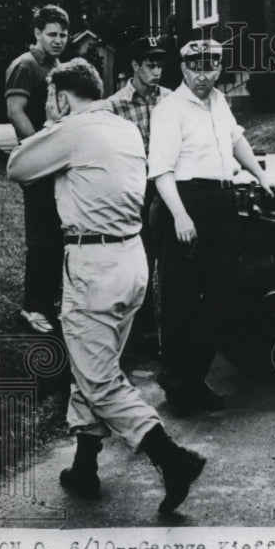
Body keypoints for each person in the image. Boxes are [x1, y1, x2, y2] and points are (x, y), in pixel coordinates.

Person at [6, 58, 206, 516]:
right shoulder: (125, 128)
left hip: (93, 264)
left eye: (53, 98)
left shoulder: (73, 129)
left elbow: (18, 167)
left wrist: (51, 125)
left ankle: (172, 459)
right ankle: (84, 468)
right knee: (93, 364)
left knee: (98, 379)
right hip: (132, 259)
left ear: (62, 97)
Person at [148, 38, 275, 416]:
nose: (202, 76)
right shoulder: (169, 109)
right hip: (186, 202)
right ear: (183, 68)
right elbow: (161, 170)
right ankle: (180, 387)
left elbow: (236, 139)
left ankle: (192, 378)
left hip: (221, 203)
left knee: (222, 296)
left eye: (210, 68)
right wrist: (180, 215)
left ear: (219, 68)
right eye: (195, 68)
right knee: (182, 300)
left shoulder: (219, 101)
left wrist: (260, 175)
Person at [5, 4, 69, 333]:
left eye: (63, 35)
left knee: (59, 237)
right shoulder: (25, 65)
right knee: (42, 239)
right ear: (37, 33)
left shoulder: (59, 67)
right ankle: (32, 308)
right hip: (37, 162)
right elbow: (15, 111)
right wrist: (38, 150)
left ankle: (48, 303)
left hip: (58, 163)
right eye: (52, 34)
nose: (58, 40)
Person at [108, 36, 174, 353]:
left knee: (172, 261)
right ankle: (143, 334)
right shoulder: (115, 106)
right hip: (136, 189)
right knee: (140, 261)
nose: (157, 71)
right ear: (135, 66)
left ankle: (173, 334)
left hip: (169, 186)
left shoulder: (172, 100)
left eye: (160, 65)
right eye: (150, 65)